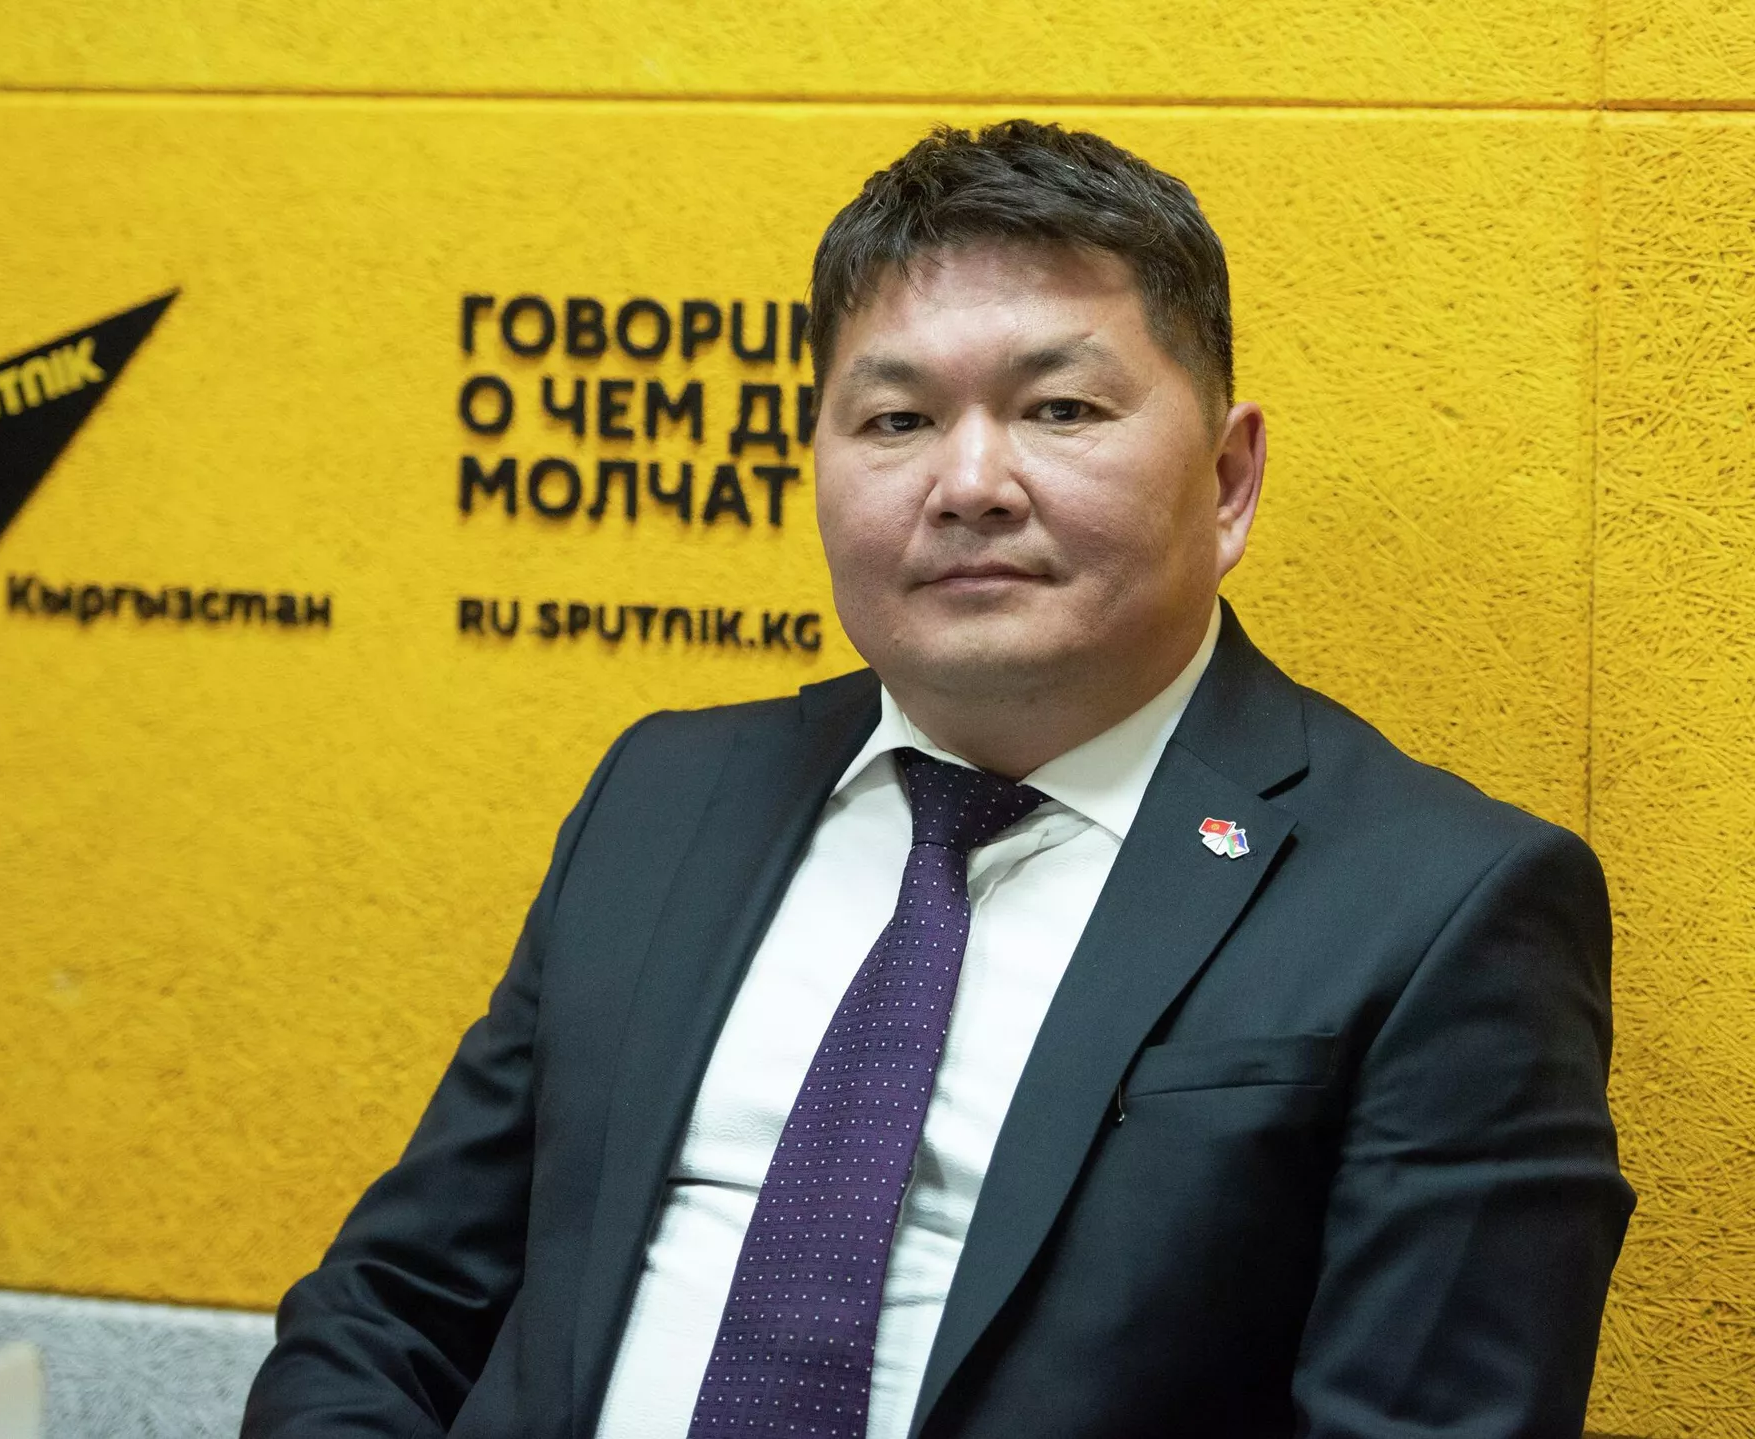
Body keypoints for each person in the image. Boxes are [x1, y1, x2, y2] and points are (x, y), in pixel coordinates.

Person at [243, 120, 1632, 1439]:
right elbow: (394, 1309)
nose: (969, 484)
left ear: (1226, 478)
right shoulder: (665, 797)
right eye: (896, 421)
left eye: (1060, 407)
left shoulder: (1438, 907)